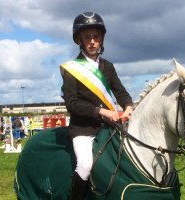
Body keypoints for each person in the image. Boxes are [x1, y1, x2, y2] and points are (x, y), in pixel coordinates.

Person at [59, 11, 133, 200]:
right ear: (80, 41)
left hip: (108, 127)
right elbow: (72, 104)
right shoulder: (71, 69)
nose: (92, 41)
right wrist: (102, 111)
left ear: (101, 39)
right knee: (84, 165)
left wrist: (129, 106)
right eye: (87, 37)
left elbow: (120, 91)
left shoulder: (107, 66)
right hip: (83, 129)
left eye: (95, 37)